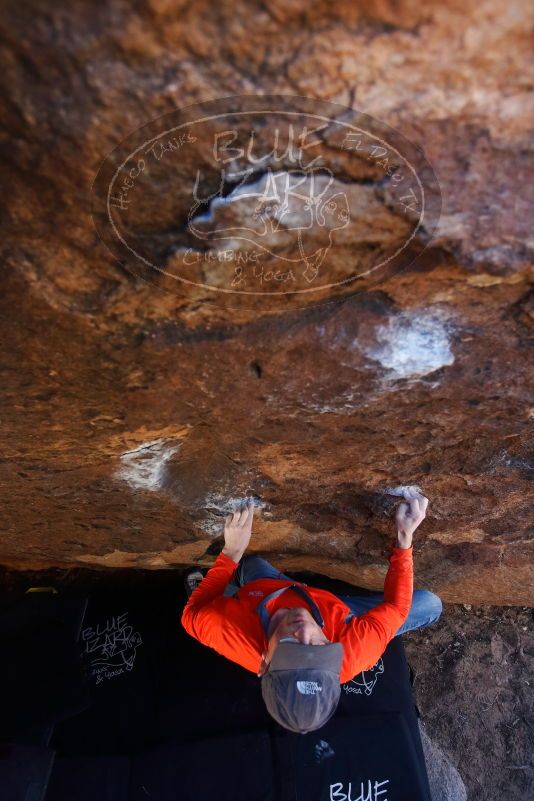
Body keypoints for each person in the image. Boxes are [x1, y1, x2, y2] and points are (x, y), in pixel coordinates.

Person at [181, 489, 442, 735]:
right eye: (319, 645)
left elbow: (191, 613)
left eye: (292, 644)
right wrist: (404, 538)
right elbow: (397, 607)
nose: (305, 629)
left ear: (263, 662)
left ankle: (231, 582)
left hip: (264, 591)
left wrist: (232, 553)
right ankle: (372, 623)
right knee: (430, 605)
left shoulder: (227, 629)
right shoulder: (353, 652)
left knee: (251, 564)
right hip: (339, 613)